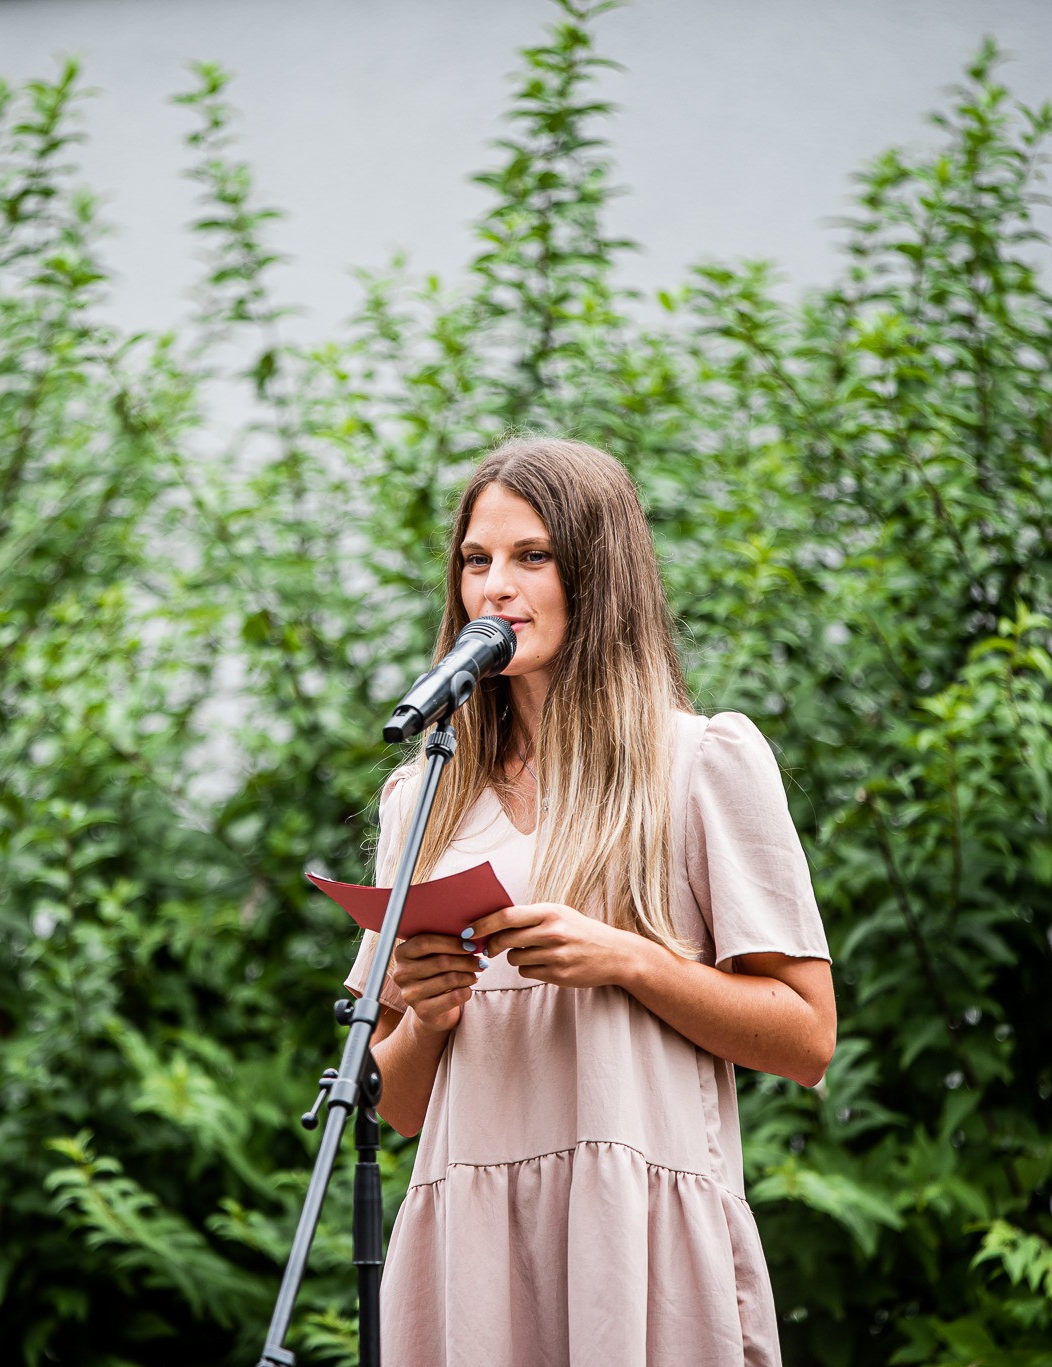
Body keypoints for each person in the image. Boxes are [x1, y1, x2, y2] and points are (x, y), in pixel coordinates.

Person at [345, 437, 836, 1366]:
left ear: (598, 576)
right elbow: (398, 1106)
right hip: (471, 1250)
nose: (495, 587)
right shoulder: (423, 797)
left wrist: (630, 960)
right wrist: (432, 1014)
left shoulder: (700, 764)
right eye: (475, 560)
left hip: (635, 1237)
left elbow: (808, 1036)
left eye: (532, 557)